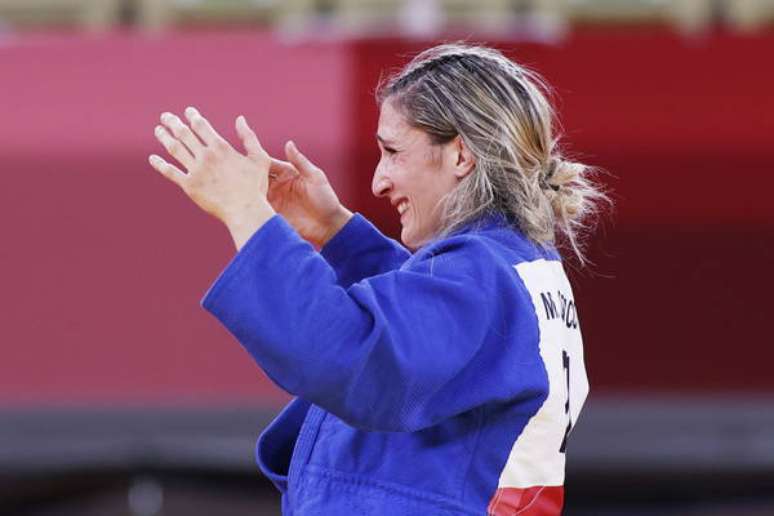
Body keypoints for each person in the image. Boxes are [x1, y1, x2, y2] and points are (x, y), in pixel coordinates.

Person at [149, 43, 607, 515]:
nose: (378, 181)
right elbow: (432, 340)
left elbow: (349, 356)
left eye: (392, 151)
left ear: (461, 155)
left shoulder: (482, 275)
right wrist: (337, 233)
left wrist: (246, 211)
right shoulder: (517, 267)